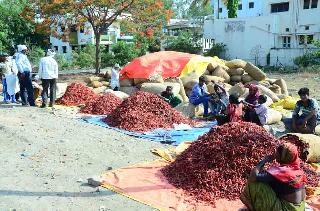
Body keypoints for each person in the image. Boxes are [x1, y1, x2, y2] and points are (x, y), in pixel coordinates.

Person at [240, 143, 306, 211]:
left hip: (288, 209)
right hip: (300, 208)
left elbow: (253, 176)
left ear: (282, 157)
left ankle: (252, 208)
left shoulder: (282, 172)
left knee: (255, 184)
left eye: (277, 152)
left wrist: (264, 161)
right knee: (270, 183)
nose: (275, 153)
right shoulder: (298, 170)